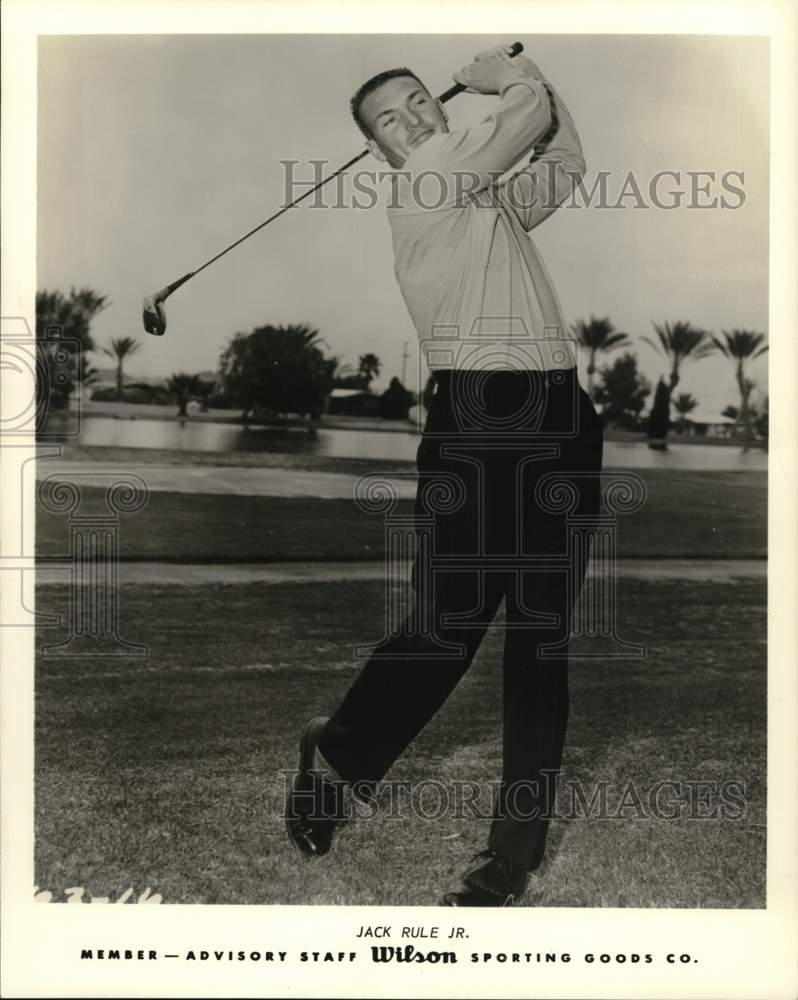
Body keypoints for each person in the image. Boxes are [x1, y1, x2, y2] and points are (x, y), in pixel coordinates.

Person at [286, 44, 604, 907]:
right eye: (392, 118)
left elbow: (565, 158)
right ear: (383, 150)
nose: (417, 119)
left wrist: (539, 71)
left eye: (423, 101)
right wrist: (508, 75)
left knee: (542, 639)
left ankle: (513, 856)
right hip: (481, 420)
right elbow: (527, 116)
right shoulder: (427, 180)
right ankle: (340, 755)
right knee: (448, 627)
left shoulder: (483, 197)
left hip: (562, 417)